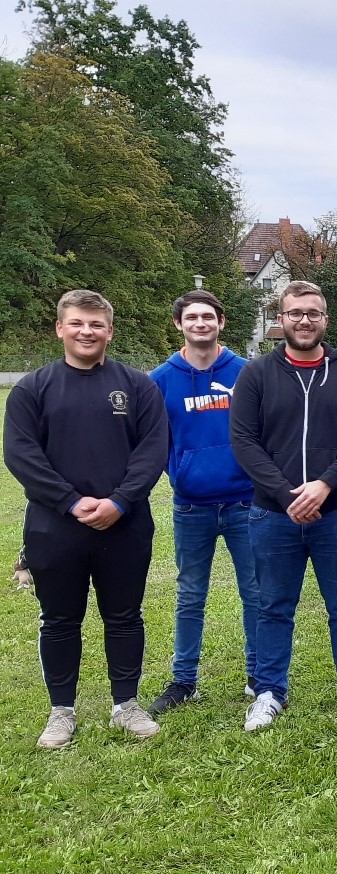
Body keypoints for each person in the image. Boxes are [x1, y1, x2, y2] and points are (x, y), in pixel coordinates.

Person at [4, 289, 168, 747]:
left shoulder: (138, 386)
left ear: (109, 331)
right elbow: (21, 455)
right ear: (60, 328)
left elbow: (152, 450)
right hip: (54, 526)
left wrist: (119, 501)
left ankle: (126, 705)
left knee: (124, 616)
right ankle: (61, 712)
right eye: (77, 323)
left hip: (125, 524)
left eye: (96, 324)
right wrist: (72, 502)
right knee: (58, 620)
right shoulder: (32, 388)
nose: (86, 331)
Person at [230, 280, 337, 732]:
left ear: (325, 319)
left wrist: (323, 486)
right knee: (273, 605)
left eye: (313, 313)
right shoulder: (256, 373)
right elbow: (244, 440)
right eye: (295, 313)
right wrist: (286, 494)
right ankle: (270, 691)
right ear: (282, 319)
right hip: (273, 514)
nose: (304, 320)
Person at [147, 289, 259, 715]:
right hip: (191, 506)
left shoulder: (246, 373)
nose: (200, 324)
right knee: (190, 594)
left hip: (246, 504)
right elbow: (154, 443)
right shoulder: (160, 379)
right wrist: (181, 472)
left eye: (207, 317)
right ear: (179, 324)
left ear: (221, 322)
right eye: (191, 317)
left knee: (256, 592)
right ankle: (184, 680)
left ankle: (258, 675)